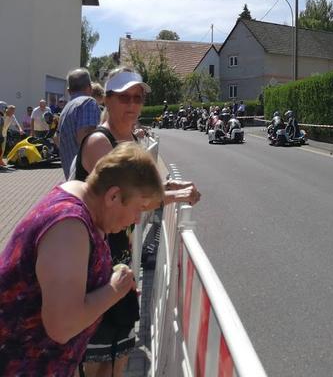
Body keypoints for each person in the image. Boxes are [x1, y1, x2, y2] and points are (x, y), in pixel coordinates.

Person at [73, 67, 200, 377]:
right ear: (107, 100)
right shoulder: (99, 143)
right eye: (124, 98)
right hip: (94, 265)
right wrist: (173, 196)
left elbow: (148, 190)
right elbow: (130, 199)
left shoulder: (130, 139)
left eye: (138, 98)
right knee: (95, 361)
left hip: (121, 258)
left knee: (119, 355)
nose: (132, 105)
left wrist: (177, 190)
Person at [0, 143, 164, 376]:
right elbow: (62, 325)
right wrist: (113, 290)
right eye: (140, 208)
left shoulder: (80, 194)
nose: (138, 219)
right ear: (114, 196)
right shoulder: (69, 228)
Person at [59, 68, 102, 179]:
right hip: (87, 177)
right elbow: (86, 140)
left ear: (69, 90)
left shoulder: (66, 109)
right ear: (90, 87)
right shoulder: (88, 102)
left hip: (72, 176)